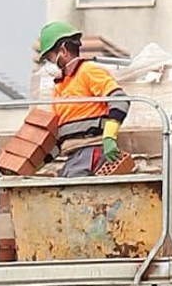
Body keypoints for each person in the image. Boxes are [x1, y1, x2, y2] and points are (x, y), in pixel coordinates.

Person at [37, 21, 131, 177]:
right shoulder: (61, 85)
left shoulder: (88, 71)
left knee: (73, 189)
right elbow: (64, 134)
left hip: (91, 150)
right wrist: (40, 161)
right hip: (74, 155)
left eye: (49, 57)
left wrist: (109, 136)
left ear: (63, 51)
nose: (50, 63)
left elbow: (119, 100)